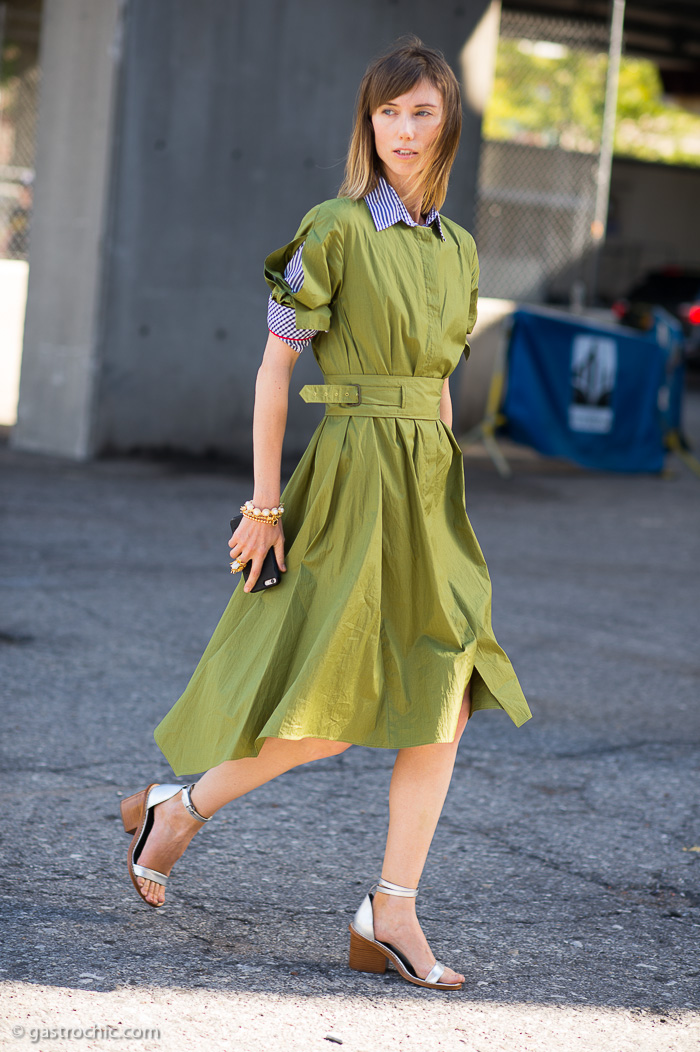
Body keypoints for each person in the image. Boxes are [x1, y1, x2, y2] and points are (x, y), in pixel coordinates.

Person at [121, 36, 532, 992]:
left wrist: (445, 500)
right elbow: (276, 368)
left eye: (421, 111)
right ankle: (181, 805)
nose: (402, 129)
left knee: (445, 699)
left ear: (448, 124)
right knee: (339, 707)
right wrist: (265, 504)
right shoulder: (334, 229)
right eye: (388, 112)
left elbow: (436, 387)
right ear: (369, 122)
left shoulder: (460, 249)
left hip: (426, 487)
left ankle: (391, 911)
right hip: (349, 477)